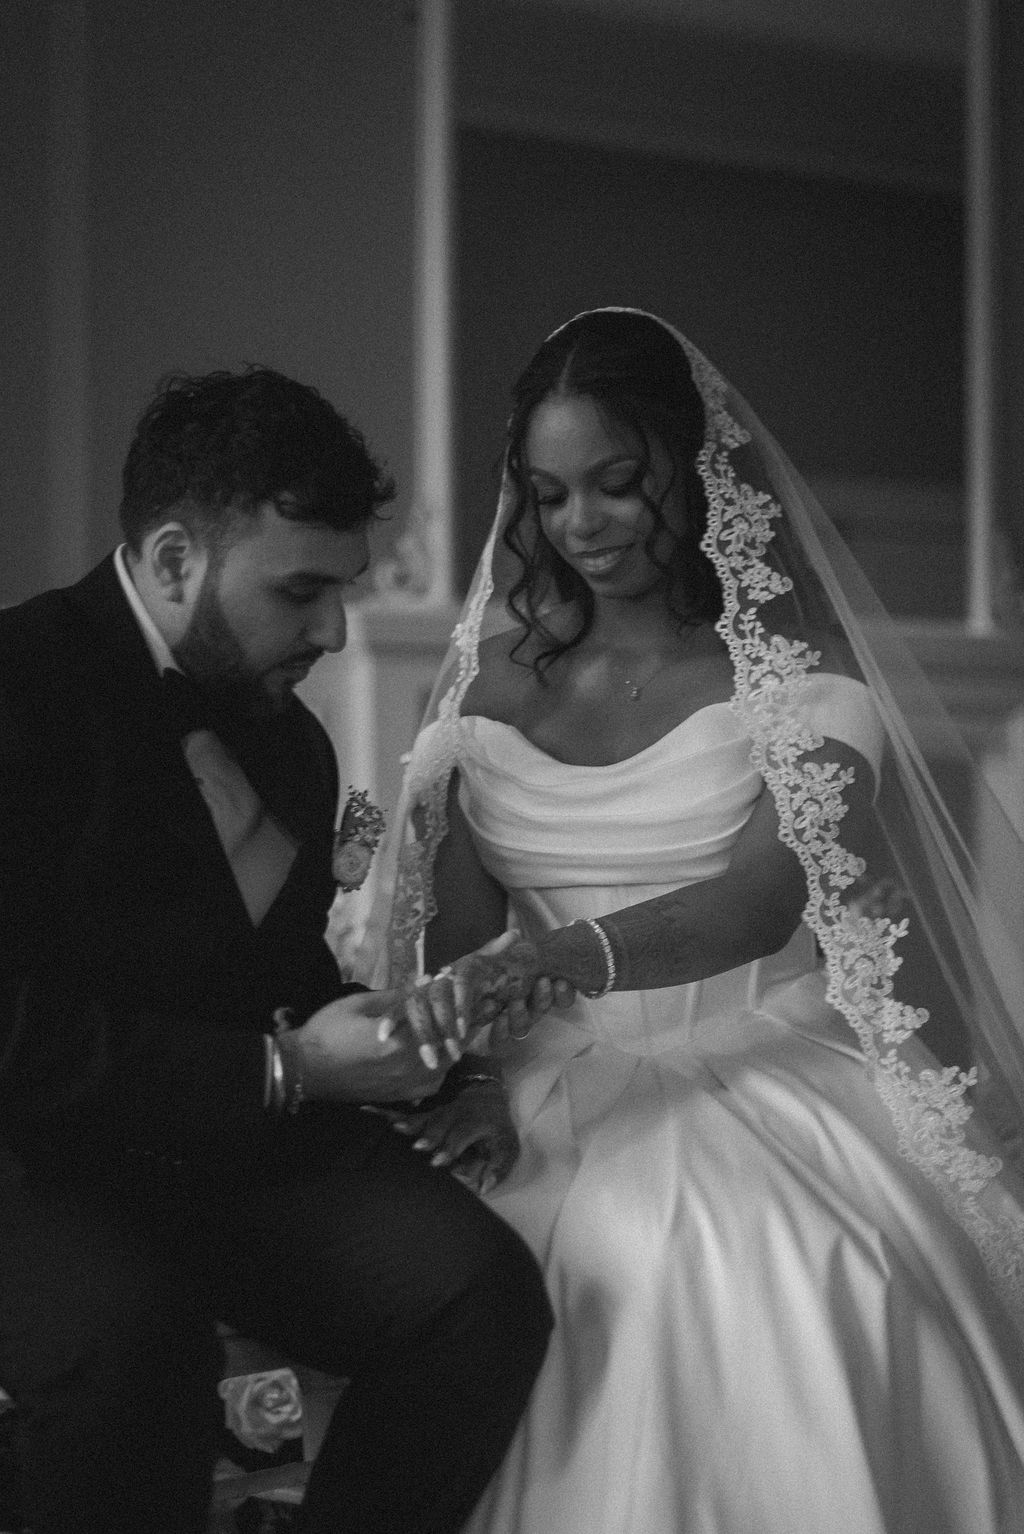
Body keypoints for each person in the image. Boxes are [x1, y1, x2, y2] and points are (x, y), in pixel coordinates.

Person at [360, 309, 1024, 1533]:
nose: (582, 526)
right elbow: (448, 936)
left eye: (616, 483)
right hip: (538, 1078)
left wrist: (558, 958)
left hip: (755, 1065)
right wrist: (456, 1074)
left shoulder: (797, 674)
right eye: (551, 495)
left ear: (692, 461)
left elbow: (759, 899)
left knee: (780, 1279)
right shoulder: (488, 681)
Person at [0, 365, 554, 1534]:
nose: (336, 630)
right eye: (301, 589)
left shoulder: (288, 743)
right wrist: (289, 1070)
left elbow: (271, 977)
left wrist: (409, 1049)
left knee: (479, 1292)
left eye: (343, 589)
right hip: (29, 1152)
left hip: (217, 1150)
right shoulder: (17, 689)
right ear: (170, 560)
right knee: (130, 1348)